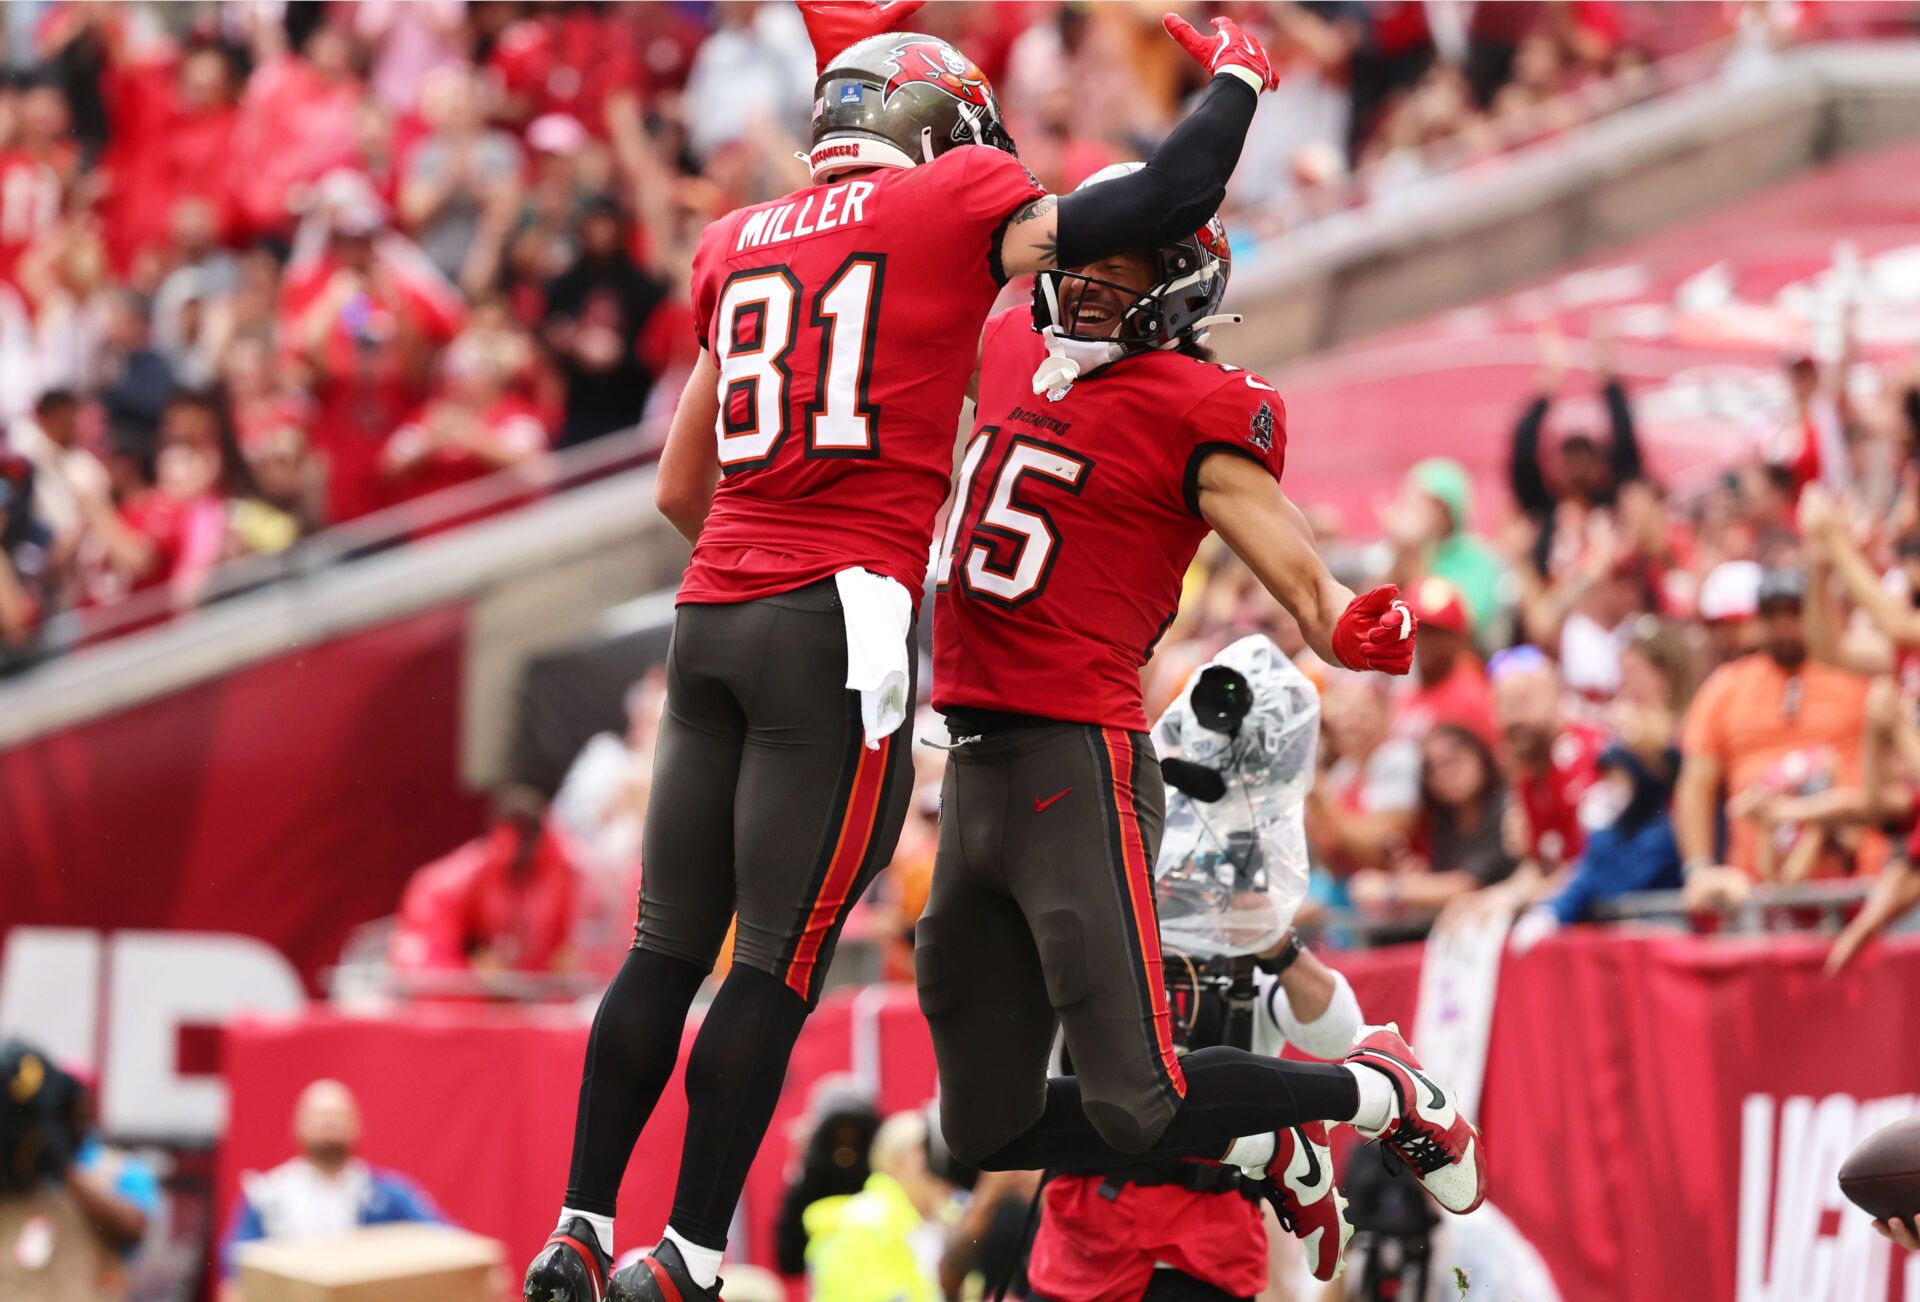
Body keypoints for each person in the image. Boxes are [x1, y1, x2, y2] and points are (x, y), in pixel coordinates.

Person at [527, 7, 1297, 1299]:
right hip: (833, 628)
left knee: (664, 944)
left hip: (709, 609)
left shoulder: (734, 238)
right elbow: (1172, 191)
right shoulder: (951, 205)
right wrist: (1236, 73)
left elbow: (679, 485)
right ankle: (691, 1256)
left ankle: (580, 1225)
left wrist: (765, 545)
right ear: (935, 132)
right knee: (774, 957)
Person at [919, 166, 1480, 1291]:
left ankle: (1378, 1095)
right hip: (972, 755)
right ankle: (1260, 1139)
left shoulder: (1199, 406)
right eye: (1079, 258)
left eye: (1114, 266)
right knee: (976, 1126)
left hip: (1076, 745)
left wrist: (1346, 623)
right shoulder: (1004, 349)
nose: (1079, 282)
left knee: (1142, 1097)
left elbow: (1303, 580)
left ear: (1173, 286)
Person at [1026, 938, 1368, 1299]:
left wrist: (1276, 941)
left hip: (1210, 1250)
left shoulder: (1242, 951)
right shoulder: (1095, 933)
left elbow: (1343, 1037)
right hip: (1084, 1244)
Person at [1677, 567, 1871, 910]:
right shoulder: (1727, 687)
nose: (1785, 627)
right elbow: (1695, 785)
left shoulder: (1855, 678)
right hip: (1756, 894)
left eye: (1795, 613)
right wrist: (1698, 870)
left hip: (1854, 886)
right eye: (1773, 615)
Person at [218, 1080, 446, 1301]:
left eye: (338, 1115)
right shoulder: (268, 1197)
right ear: (297, 1125)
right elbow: (236, 1277)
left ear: (357, 1125)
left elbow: (448, 1244)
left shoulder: (388, 1197)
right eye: (319, 1115)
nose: (329, 1122)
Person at [800, 1110, 959, 1302]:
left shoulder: (947, 1223)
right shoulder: (860, 1222)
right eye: (928, 1153)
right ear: (896, 1162)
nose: (942, 1165)